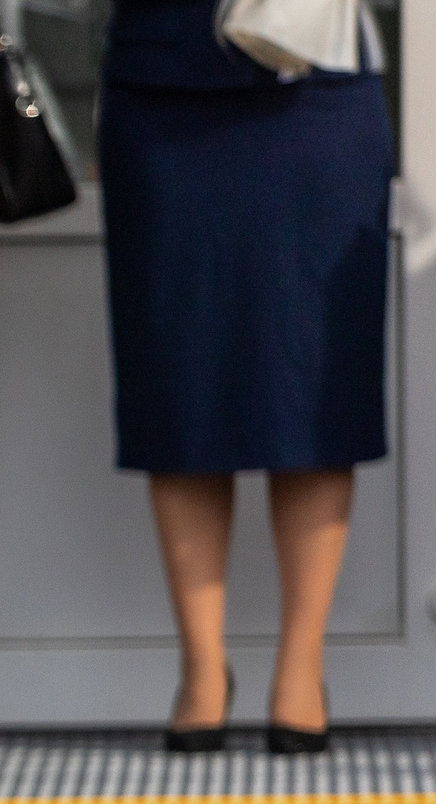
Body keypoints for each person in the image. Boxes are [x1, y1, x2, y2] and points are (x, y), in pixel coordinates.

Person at [99, 0, 389, 755]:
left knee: (315, 383)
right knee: (180, 384)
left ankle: (302, 669)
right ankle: (202, 669)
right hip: (163, 89)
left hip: (314, 83)